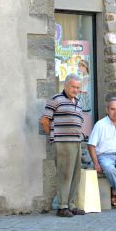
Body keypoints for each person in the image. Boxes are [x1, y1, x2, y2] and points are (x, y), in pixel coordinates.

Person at [40, 74, 86, 217]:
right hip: (63, 142)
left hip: (76, 142)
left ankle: (71, 205)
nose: (75, 90)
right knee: (64, 174)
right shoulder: (56, 99)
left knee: (75, 175)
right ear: (66, 85)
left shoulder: (78, 102)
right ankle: (62, 206)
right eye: (73, 86)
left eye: (78, 87)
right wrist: (53, 137)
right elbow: (44, 120)